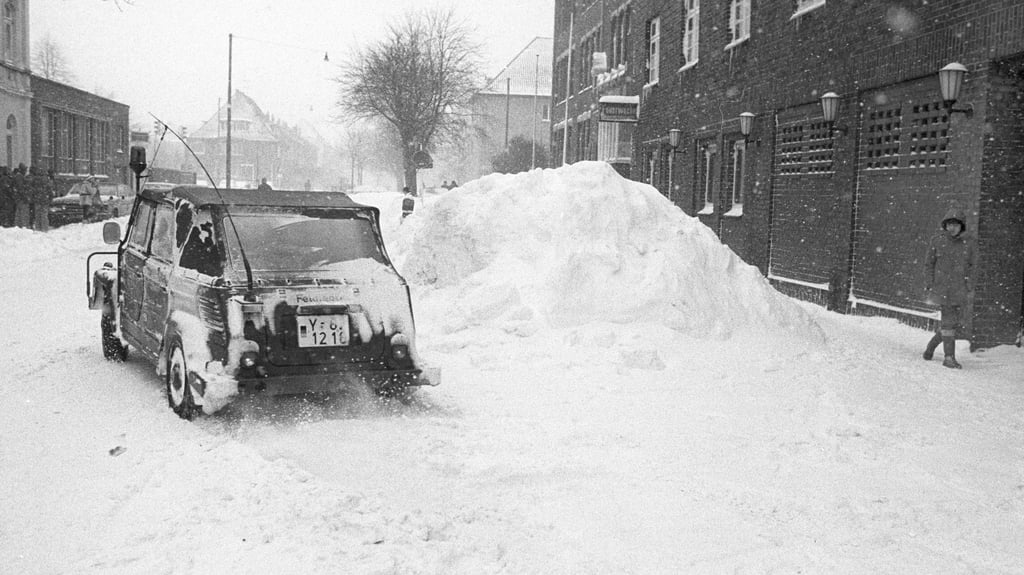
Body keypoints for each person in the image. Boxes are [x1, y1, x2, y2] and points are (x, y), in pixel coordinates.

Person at [923, 207, 976, 369]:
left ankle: (931, 347)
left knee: (955, 325)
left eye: (955, 224)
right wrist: (929, 283)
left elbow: (974, 266)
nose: (952, 228)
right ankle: (949, 357)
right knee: (948, 322)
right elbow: (929, 264)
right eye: (949, 224)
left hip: (960, 289)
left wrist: (970, 285)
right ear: (945, 225)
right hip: (942, 289)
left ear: (962, 226)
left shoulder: (969, 243)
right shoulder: (937, 241)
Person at [12, 163, 30, 228]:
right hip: (21, 199)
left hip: (19, 198)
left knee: (19, 214)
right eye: (25, 169)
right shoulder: (19, 177)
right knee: (23, 215)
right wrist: (25, 197)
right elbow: (20, 188)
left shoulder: (18, 176)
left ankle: (18, 227)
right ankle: (23, 228)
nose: (25, 171)